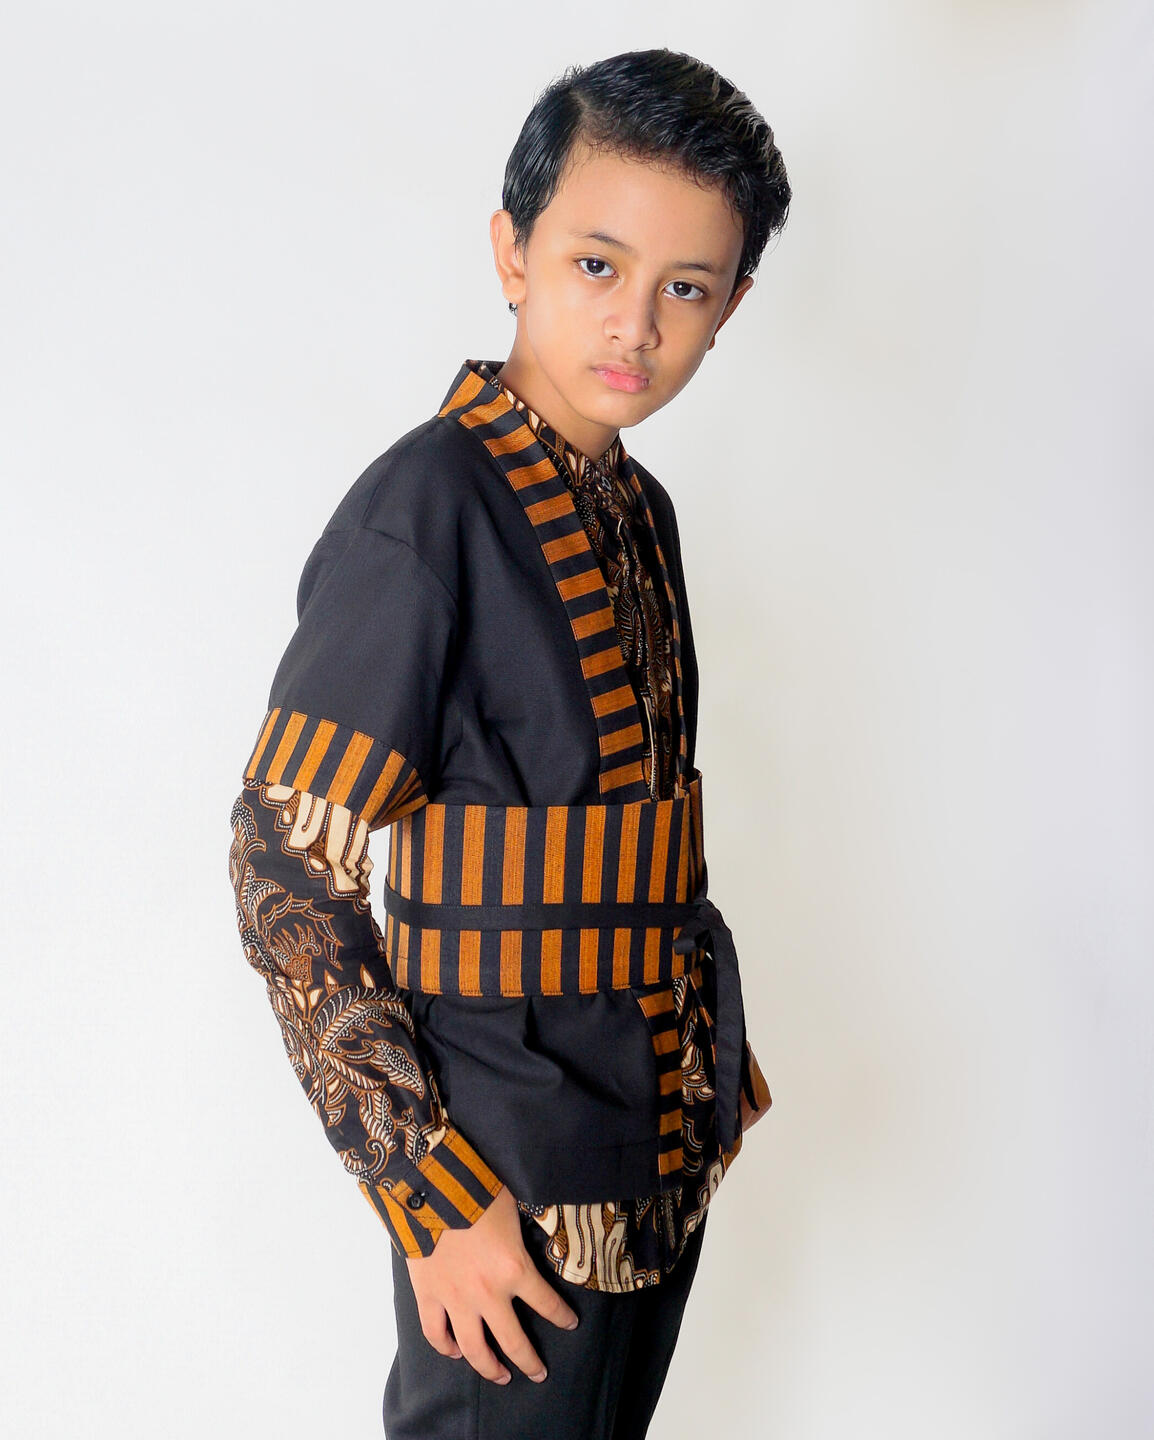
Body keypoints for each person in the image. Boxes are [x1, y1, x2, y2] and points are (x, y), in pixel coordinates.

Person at [228, 46, 790, 1439]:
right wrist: (427, 1196)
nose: (635, 324)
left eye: (686, 288)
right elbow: (281, 868)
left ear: (729, 307)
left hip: (652, 1134)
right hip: (504, 1178)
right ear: (512, 251)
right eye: (597, 265)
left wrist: (707, 1058)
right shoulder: (425, 509)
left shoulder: (639, 512)